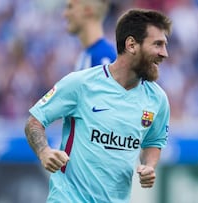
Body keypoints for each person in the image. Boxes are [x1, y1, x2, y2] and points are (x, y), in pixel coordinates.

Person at [24, 8, 172, 203]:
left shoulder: (158, 99)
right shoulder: (81, 84)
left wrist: (149, 166)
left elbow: (153, 142)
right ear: (131, 45)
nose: (165, 54)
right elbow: (34, 121)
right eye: (158, 44)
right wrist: (44, 152)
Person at [63, 0, 116, 70]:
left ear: (87, 10)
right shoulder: (85, 55)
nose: (65, 14)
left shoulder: (104, 57)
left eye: (70, 7)